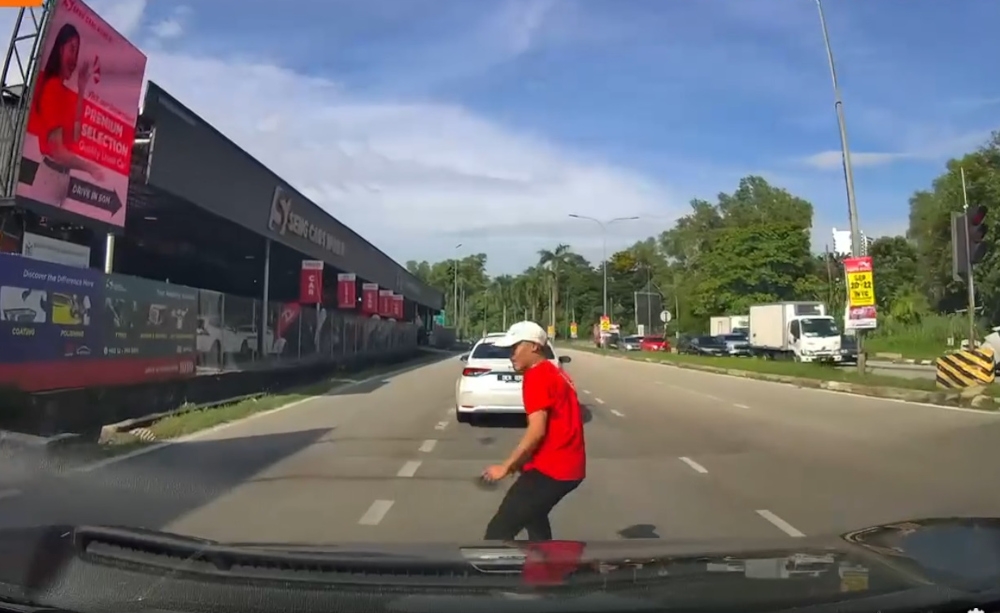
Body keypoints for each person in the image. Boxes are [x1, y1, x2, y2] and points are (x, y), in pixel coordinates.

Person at [482, 321, 586, 542]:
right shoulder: (554, 371)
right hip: (567, 466)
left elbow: (537, 431)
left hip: (552, 469)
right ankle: (546, 572)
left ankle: (492, 574)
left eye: (515, 347)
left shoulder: (536, 377)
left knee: (497, 533)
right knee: (534, 519)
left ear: (534, 347)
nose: (511, 355)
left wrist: (506, 466)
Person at [28, 23, 105, 208]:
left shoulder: (62, 91)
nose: (75, 59)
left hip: (62, 179)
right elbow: (58, 150)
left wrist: (81, 88)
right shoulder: (52, 88)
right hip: (50, 177)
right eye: (72, 49)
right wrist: (90, 167)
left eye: (77, 52)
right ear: (60, 48)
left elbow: (76, 136)